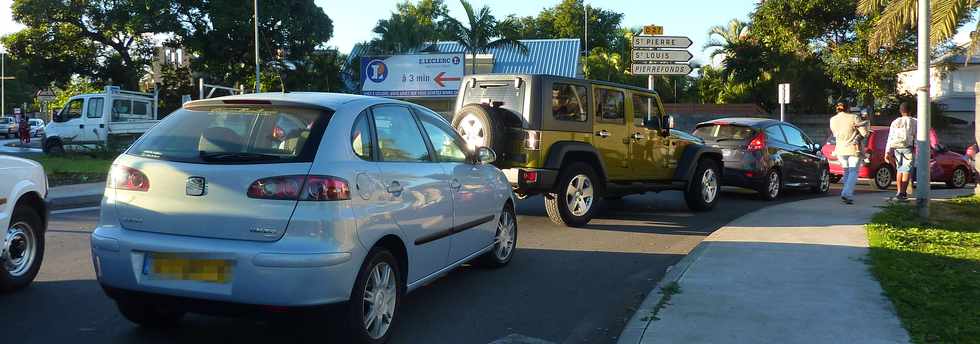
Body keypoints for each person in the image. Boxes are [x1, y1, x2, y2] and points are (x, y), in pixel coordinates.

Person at [830, 102, 869, 204]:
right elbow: (864, 133)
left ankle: (846, 193)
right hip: (853, 148)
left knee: (846, 171)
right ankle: (846, 193)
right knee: (853, 171)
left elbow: (835, 134)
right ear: (848, 108)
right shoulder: (854, 118)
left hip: (840, 149)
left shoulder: (833, 119)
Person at [884, 102, 917, 201]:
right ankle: (903, 193)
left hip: (897, 148)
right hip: (908, 148)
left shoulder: (895, 122)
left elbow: (890, 137)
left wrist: (887, 152)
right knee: (906, 170)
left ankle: (899, 191)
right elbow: (917, 137)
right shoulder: (914, 121)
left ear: (900, 111)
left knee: (900, 169)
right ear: (910, 111)